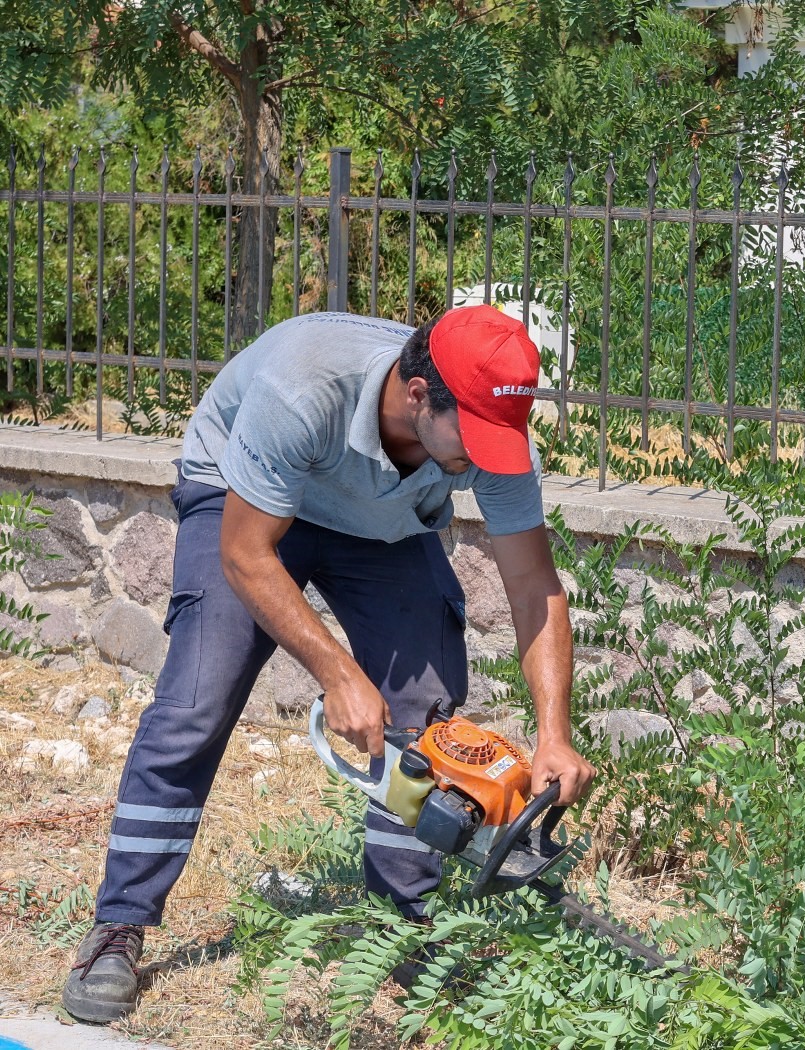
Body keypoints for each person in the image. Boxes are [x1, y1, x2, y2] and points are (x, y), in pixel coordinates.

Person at [61, 306, 595, 1023]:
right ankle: (117, 926)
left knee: (425, 716)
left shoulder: (487, 437)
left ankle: (400, 932)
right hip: (242, 502)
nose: (490, 455)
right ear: (416, 394)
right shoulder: (304, 387)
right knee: (198, 698)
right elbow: (246, 554)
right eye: (472, 433)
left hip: (377, 525)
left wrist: (554, 731)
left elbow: (535, 587)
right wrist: (338, 672)